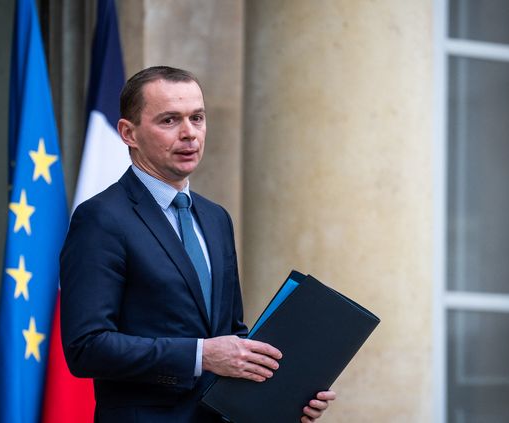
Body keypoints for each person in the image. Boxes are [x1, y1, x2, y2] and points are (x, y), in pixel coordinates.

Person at [60, 66, 336, 422]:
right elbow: (87, 348)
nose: (190, 133)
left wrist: (287, 393)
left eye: (197, 118)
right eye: (170, 120)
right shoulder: (101, 218)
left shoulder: (215, 217)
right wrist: (200, 355)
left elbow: (230, 335)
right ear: (129, 133)